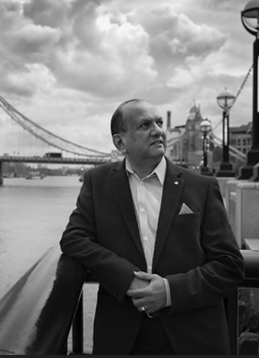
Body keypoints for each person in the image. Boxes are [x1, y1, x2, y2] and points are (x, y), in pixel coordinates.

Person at [61, 99, 244, 354]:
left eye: (159, 122)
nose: (158, 130)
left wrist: (170, 291)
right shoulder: (97, 182)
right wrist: (126, 278)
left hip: (193, 337)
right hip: (123, 339)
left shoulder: (201, 186)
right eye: (145, 125)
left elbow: (230, 265)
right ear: (120, 142)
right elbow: (74, 239)